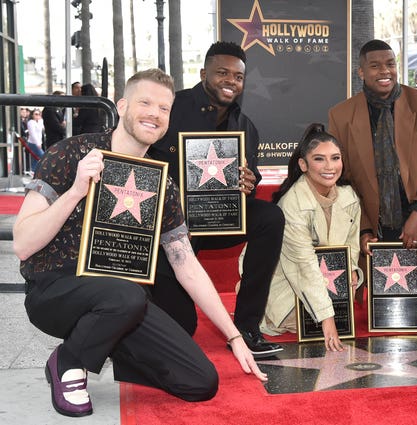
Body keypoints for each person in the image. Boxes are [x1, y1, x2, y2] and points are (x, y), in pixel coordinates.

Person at [13, 69, 267, 418]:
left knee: (199, 381)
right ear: (122, 105)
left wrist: (234, 336)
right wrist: (75, 191)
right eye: (145, 102)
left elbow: (186, 265)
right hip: (55, 290)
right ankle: (68, 362)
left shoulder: (162, 183)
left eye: (164, 108)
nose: (154, 113)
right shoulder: (70, 154)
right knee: (127, 294)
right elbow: (23, 245)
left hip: (121, 303)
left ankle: (104, 339)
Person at [147, 41, 285, 357]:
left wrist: (250, 182)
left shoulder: (246, 127)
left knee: (270, 218)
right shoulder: (172, 107)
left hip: (221, 217)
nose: (230, 81)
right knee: (180, 327)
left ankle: (248, 326)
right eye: (222, 72)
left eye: (237, 76)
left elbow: (250, 174)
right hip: (171, 224)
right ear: (203, 73)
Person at [328, 40, 417, 337]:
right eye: (376, 65)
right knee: (392, 322)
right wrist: (365, 228)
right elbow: (343, 180)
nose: (385, 71)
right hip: (376, 224)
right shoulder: (341, 115)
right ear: (361, 72)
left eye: (390, 64)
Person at [260, 123, 362, 351]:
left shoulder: (349, 196)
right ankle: (264, 309)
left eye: (335, 158)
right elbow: (303, 264)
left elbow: (351, 245)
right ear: (303, 164)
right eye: (319, 159)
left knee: (339, 319)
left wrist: (352, 268)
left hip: (326, 280)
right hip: (288, 280)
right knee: (309, 323)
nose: (330, 167)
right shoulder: (292, 203)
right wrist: (327, 318)